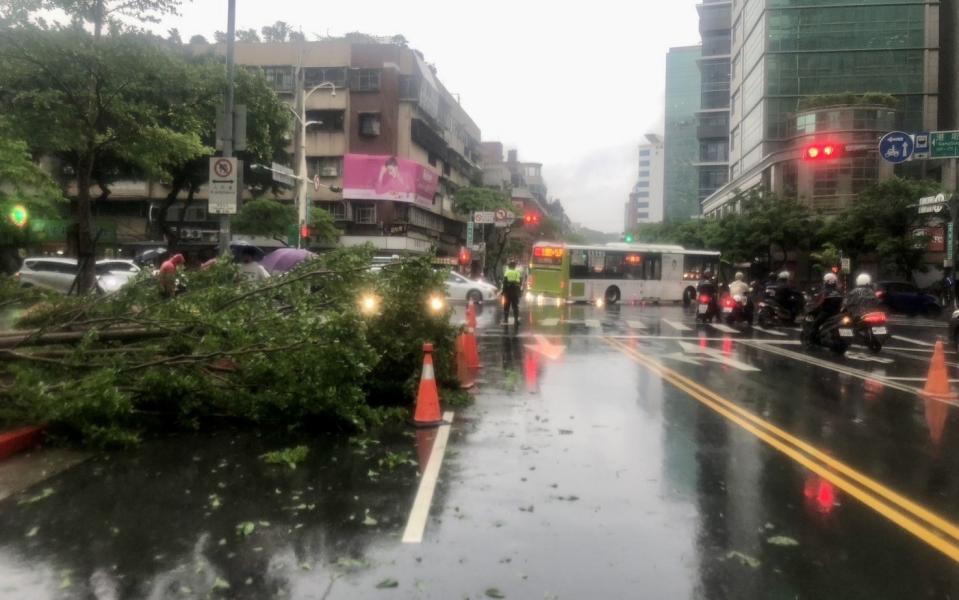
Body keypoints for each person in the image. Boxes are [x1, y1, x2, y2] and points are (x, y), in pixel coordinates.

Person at [807, 272, 844, 336]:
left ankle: (813, 338)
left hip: (826, 314)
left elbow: (819, 303)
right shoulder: (838, 292)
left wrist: (813, 309)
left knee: (815, 325)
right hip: (837, 314)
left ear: (826, 281)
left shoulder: (825, 292)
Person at [501, 259, 523, 325]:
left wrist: (503, 291)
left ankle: (505, 320)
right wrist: (519, 292)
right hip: (515, 292)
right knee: (515, 306)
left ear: (509, 266)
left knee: (506, 306)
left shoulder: (507, 272)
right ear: (514, 266)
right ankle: (516, 321)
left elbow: (504, 282)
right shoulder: (517, 273)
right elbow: (520, 282)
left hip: (507, 292)